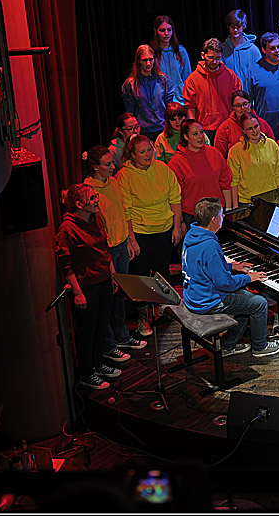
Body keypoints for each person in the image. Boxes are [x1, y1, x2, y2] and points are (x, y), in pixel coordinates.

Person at [181, 197, 279, 357]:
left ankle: (228, 345)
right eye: (222, 215)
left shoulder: (192, 235)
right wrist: (249, 278)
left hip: (193, 295)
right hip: (207, 301)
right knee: (259, 303)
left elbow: (202, 267)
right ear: (214, 220)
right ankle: (260, 346)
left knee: (246, 299)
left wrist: (232, 266)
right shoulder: (209, 245)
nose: (224, 218)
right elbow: (225, 283)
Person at [116, 135, 185, 336]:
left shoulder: (163, 169)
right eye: (143, 151)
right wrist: (131, 239)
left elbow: (175, 198)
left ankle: (161, 310)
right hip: (140, 233)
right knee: (142, 277)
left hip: (164, 230)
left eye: (149, 150)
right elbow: (125, 210)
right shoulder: (125, 176)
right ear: (133, 155)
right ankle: (143, 319)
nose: (148, 154)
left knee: (161, 272)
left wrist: (177, 226)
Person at [55, 183, 120, 389]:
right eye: (92, 198)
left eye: (95, 196)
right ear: (78, 204)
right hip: (86, 287)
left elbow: (104, 247)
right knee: (87, 331)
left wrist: (112, 275)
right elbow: (66, 264)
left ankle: (98, 364)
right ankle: (87, 372)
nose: (96, 200)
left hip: (103, 281)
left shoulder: (96, 218)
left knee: (102, 325)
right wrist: (77, 292)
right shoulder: (67, 229)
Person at [83, 145, 147, 355]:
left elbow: (124, 210)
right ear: (94, 167)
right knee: (108, 298)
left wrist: (130, 239)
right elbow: (97, 227)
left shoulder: (114, 182)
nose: (113, 166)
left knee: (120, 295)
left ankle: (122, 337)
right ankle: (109, 345)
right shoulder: (90, 191)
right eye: (107, 164)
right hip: (106, 250)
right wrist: (109, 257)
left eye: (113, 162)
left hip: (120, 245)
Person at [168, 118, 233, 219]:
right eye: (195, 134)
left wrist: (229, 209)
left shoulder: (214, 153)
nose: (200, 137)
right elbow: (174, 198)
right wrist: (179, 222)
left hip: (217, 212)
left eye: (202, 132)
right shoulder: (176, 163)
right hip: (192, 216)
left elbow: (225, 182)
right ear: (186, 136)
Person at [183, 38, 243, 140]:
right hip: (203, 129)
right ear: (203, 55)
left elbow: (238, 103)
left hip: (227, 127)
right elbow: (190, 108)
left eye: (218, 58)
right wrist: (193, 130)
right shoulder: (192, 79)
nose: (214, 62)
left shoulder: (231, 76)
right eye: (210, 57)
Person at [227, 112, 279, 204]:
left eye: (256, 126)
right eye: (249, 129)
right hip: (247, 202)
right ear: (243, 131)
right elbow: (234, 182)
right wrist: (235, 207)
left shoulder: (272, 145)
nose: (254, 131)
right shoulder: (235, 151)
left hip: (271, 200)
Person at [121, 44, 171, 139]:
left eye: (151, 59)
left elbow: (169, 108)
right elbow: (130, 113)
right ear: (139, 61)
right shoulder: (131, 84)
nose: (148, 63)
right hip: (143, 131)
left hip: (162, 130)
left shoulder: (164, 81)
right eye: (144, 60)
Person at [213, 90, 275, 163]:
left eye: (245, 104)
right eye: (238, 106)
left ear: (250, 104)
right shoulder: (224, 128)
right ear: (232, 108)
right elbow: (219, 156)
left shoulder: (262, 123)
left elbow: (272, 148)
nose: (242, 108)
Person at [150, 15, 190, 104]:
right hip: (160, 103)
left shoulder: (181, 51)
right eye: (162, 30)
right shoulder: (152, 53)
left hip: (181, 101)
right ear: (155, 31)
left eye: (169, 30)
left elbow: (187, 77)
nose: (166, 34)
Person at [221, 9, 261, 90]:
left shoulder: (253, 50)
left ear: (244, 26)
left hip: (249, 99)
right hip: (229, 98)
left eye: (238, 27)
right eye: (232, 27)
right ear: (228, 27)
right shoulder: (222, 49)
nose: (235, 30)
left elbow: (259, 77)